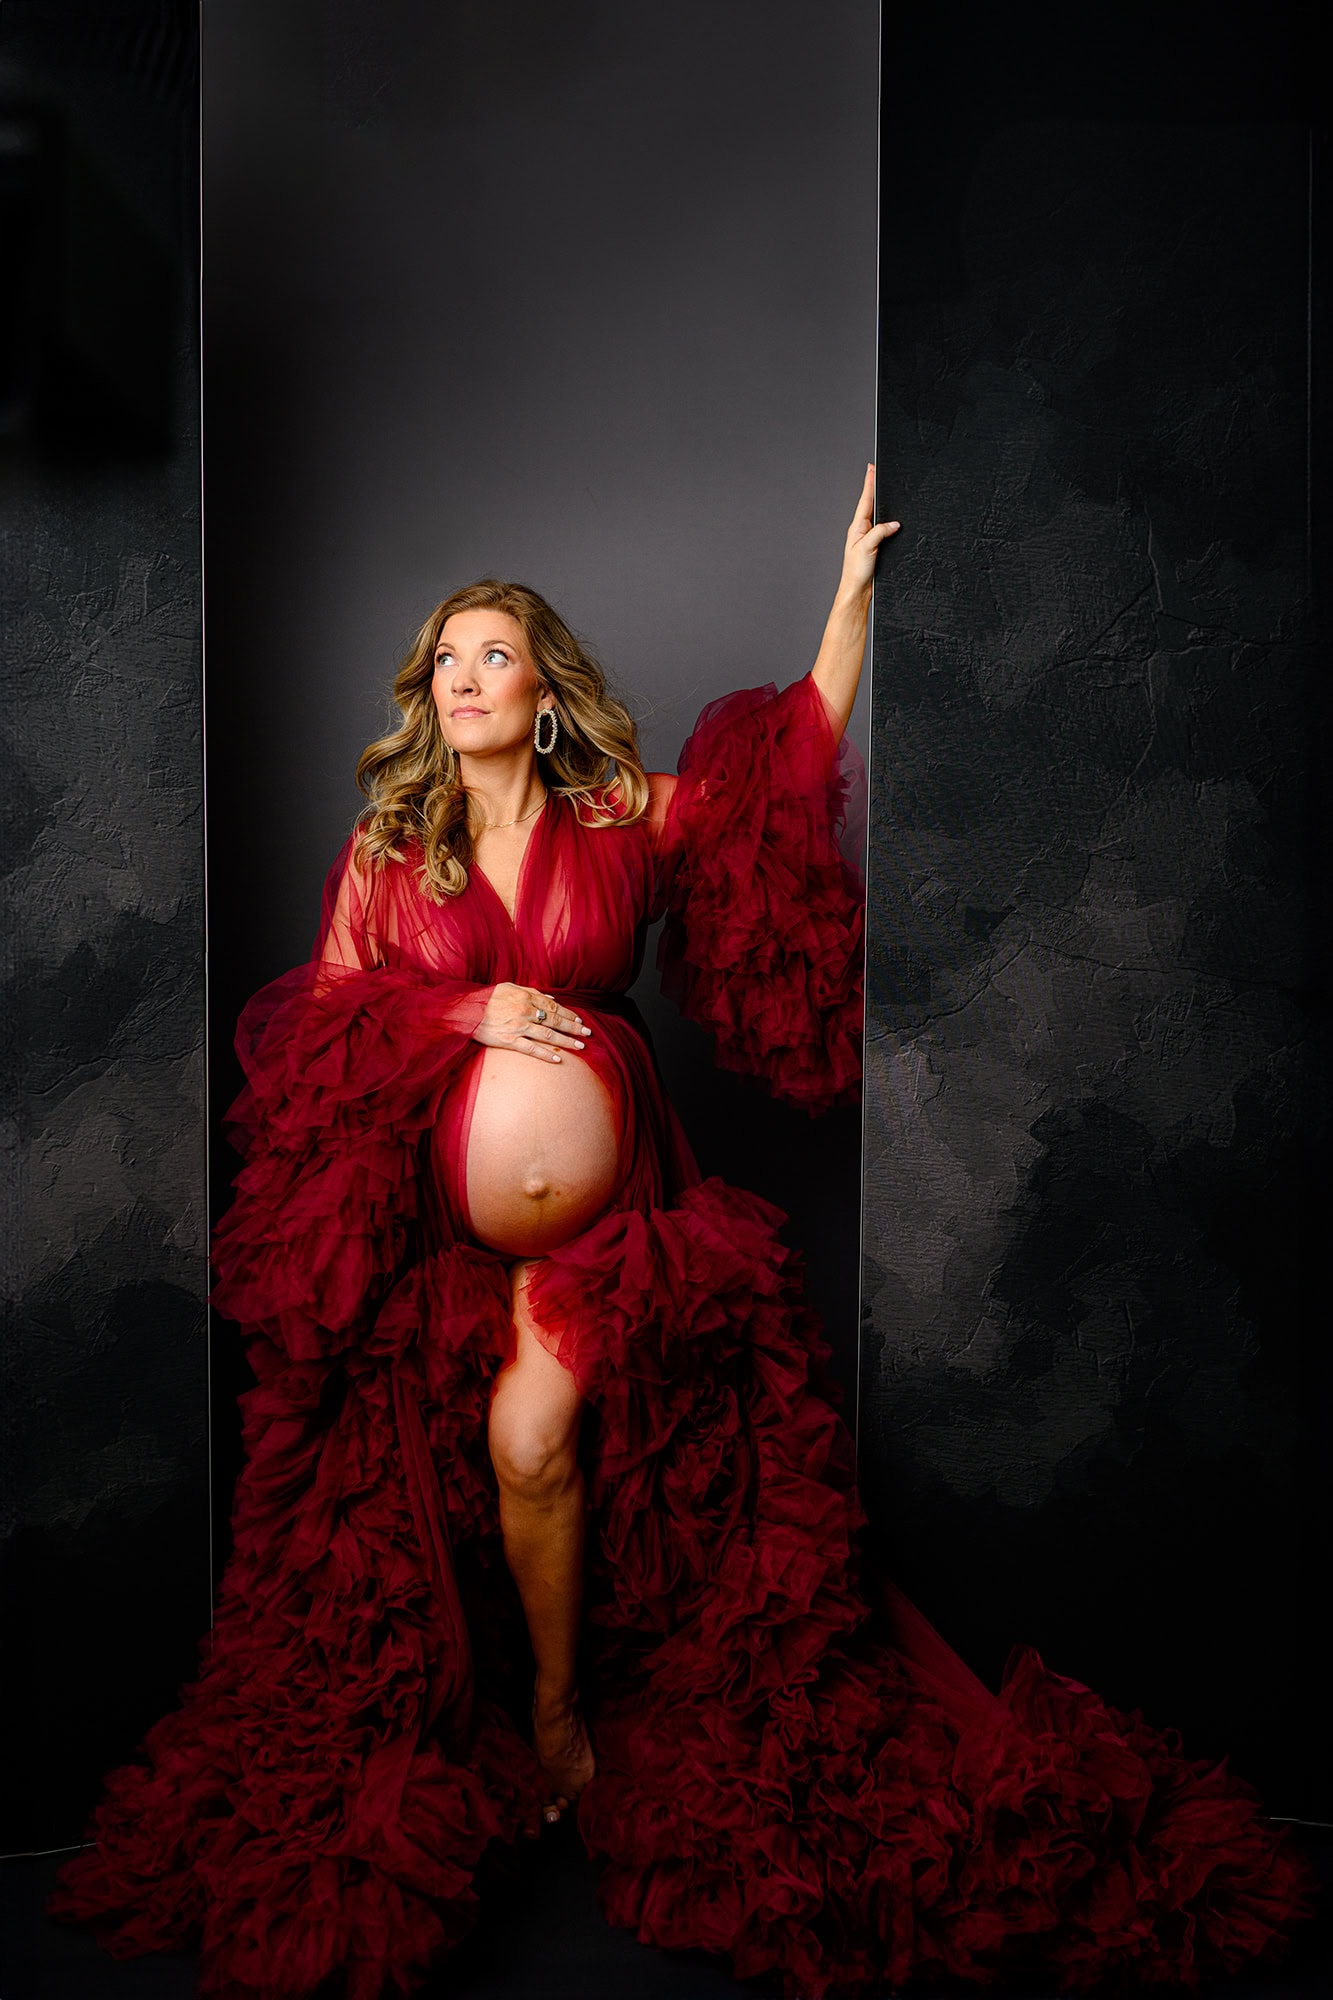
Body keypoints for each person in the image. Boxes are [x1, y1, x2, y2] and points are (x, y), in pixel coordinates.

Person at [50, 468, 1312, 1999]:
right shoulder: (391, 852)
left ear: (544, 693)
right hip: (436, 1247)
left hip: (611, 1235)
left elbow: (779, 793)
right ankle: (519, 1723)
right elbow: (315, 1025)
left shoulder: (617, 820)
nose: (463, 677)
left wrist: (847, 604)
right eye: (445, 658)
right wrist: (459, 1012)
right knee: (431, 1499)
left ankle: (561, 1717)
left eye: (494, 654)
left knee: (533, 1443)